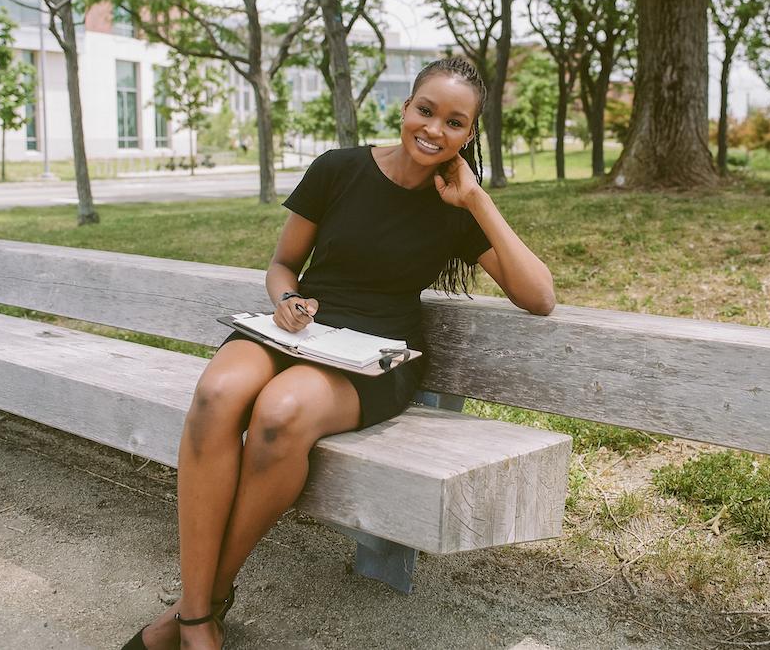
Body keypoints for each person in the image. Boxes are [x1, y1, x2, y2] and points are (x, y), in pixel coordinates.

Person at [122, 57, 555, 650]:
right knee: (219, 392)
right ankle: (199, 616)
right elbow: (282, 265)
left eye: (455, 122)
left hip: (375, 354)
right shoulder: (338, 169)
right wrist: (288, 300)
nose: (434, 129)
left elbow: (540, 297)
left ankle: (198, 612)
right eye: (425, 110)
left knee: (281, 413)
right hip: (301, 328)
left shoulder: (455, 207)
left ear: (470, 134)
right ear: (405, 108)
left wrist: (477, 201)